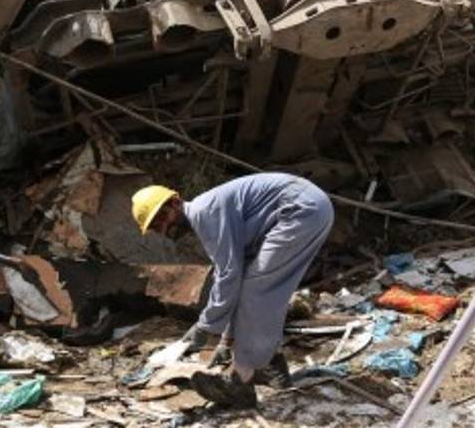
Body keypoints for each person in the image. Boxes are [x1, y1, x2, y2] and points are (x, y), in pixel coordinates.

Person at [131, 174, 333, 408]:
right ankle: (269, 365)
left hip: (300, 210)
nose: (164, 228)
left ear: (176, 202)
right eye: (156, 227)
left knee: (257, 289)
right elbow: (233, 273)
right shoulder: (207, 216)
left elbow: (229, 276)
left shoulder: (205, 214)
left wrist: (205, 326)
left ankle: (240, 382)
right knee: (259, 287)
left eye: (162, 218)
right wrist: (226, 339)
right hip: (308, 208)